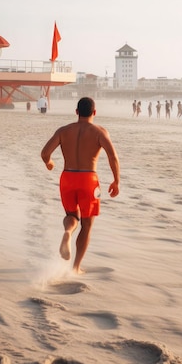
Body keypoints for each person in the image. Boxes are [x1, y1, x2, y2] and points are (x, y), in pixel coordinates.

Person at [40, 97, 120, 274]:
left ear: (76, 112)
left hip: (67, 177)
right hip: (88, 179)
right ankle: (75, 267)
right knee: (87, 224)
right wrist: (116, 180)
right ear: (94, 112)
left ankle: (68, 232)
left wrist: (49, 163)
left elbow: (45, 153)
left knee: (71, 215)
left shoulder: (63, 131)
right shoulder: (100, 132)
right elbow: (112, 157)